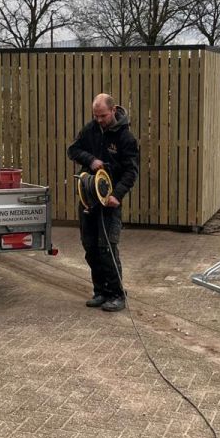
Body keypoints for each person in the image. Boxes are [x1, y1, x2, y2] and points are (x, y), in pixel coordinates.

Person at [67, 93, 140, 312]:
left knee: (107, 247)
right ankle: (100, 291)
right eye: (96, 116)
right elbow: (73, 150)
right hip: (89, 198)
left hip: (110, 200)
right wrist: (90, 160)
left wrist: (116, 195)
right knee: (90, 247)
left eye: (103, 116)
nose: (99, 120)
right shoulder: (90, 129)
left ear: (113, 110)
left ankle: (117, 294)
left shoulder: (126, 138)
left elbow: (131, 172)